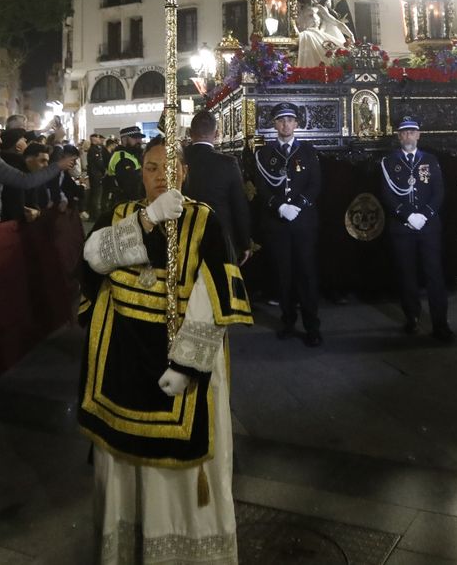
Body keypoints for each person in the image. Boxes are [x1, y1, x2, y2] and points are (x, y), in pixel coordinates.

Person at [78, 138, 253, 564]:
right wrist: (146, 222)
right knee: (126, 471)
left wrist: (187, 363)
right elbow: (92, 259)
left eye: (169, 168)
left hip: (180, 367)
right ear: (141, 172)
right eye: (152, 168)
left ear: (185, 173)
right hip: (121, 365)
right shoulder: (121, 215)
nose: (161, 177)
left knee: (176, 474)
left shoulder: (204, 220)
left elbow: (212, 298)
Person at [251, 102, 323, 346]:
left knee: (306, 275)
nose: (286, 124)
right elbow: (260, 187)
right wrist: (279, 206)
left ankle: (312, 326)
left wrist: (298, 205)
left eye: (290, 120)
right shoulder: (263, 154)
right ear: (275, 124)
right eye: (281, 120)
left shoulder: (308, 151)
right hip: (277, 223)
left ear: (296, 124)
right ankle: (288, 321)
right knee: (283, 276)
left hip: (303, 223)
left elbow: (315, 184)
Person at [379, 115, 453, 340]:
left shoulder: (429, 160)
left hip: (428, 226)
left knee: (434, 275)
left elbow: (438, 191)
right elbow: (387, 194)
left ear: (419, 135)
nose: (408, 136)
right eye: (404, 132)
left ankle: (440, 323)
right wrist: (408, 215)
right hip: (402, 227)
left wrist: (425, 215)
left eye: (412, 132)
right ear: (399, 136)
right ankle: (411, 318)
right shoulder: (389, 162)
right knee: (406, 274)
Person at [181, 112, 251, 265]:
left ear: (190, 134)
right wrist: (245, 243)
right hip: (221, 237)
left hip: (184, 235)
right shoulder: (228, 163)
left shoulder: (179, 160)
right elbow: (239, 206)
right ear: (217, 133)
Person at [105, 126, 145, 206]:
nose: (139, 141)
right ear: (124, 139)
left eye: (140, 138)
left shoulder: (131, 154)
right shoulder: (122, 157)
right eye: (135, 138)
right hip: (126, 203)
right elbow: (130, 187)